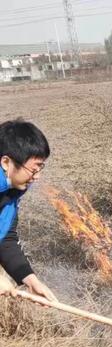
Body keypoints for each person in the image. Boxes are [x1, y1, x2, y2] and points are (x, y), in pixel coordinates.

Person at [0, 119, 57, 302]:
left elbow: (5, 240)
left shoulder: (12, 192)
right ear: (6, 162)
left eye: (41, 168)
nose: (37, 177)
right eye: (33, 169)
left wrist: (30, 279)